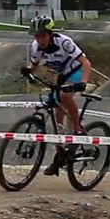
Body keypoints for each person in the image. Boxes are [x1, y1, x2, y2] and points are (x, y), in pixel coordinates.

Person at [20, 14, 95, 176]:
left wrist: (83, 82)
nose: (40, 40)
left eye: (42, 36)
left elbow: (86, 63)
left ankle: (78, 129)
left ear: (50, 34)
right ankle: (59, 153)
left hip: (76, 71)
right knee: (55, 112)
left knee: (64, 95)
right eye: (36, 36)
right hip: (60, 75)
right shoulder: (35, 47)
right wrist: (28, 72)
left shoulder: (65, 43)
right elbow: (33, 65)